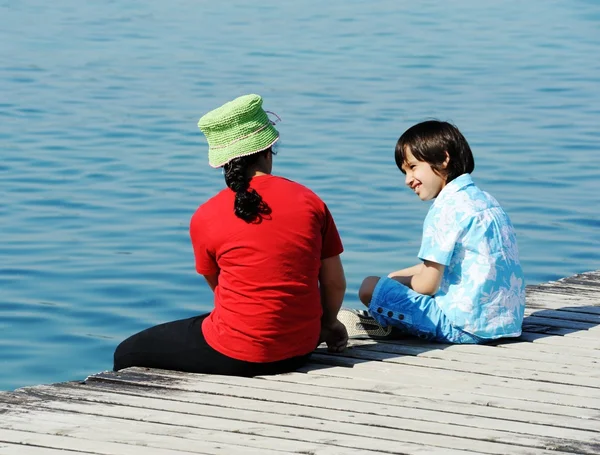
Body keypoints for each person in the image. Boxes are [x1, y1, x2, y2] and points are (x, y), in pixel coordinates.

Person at [114, 94, 348, 376]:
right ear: (268, 149)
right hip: (302, 348)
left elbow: (220, 287)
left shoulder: (206, 214)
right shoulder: (309, 200)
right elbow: (334, 283)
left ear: (223, 162)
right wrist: (330, 324)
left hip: (238, 353)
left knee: (127, 352)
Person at [339, 120, 525, 344]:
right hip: (506, 323)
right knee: (391, 281)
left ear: (444, 159)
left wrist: (391, 283)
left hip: (461, 326)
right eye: (404, 171)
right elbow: (452, 263)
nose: (408, 180)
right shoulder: (487, 202)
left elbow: (428, 285)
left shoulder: (445, 209)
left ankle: (393, 323)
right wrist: (395, 278)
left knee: (370, 286)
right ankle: (398, 316)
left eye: (413, 167)